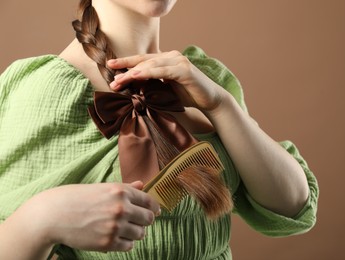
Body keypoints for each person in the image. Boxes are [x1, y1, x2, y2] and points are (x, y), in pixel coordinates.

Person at [0, 0, 319, 259]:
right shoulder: (45, 92)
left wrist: (221, 106)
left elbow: (293, 208)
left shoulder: (204, 78)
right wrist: (40, 217)